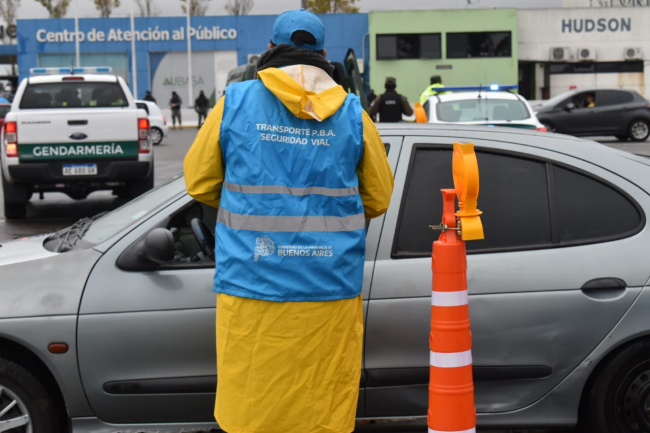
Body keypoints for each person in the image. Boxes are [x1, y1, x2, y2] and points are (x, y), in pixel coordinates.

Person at [184, 8, 393, 433]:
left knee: (254, 409)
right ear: (324, 55)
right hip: (329, 291)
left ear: (268, 51)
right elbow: (379, 197)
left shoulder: (234, 104)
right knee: (322, 409)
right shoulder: (353, 113)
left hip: (252, 289)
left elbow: (199, 182)